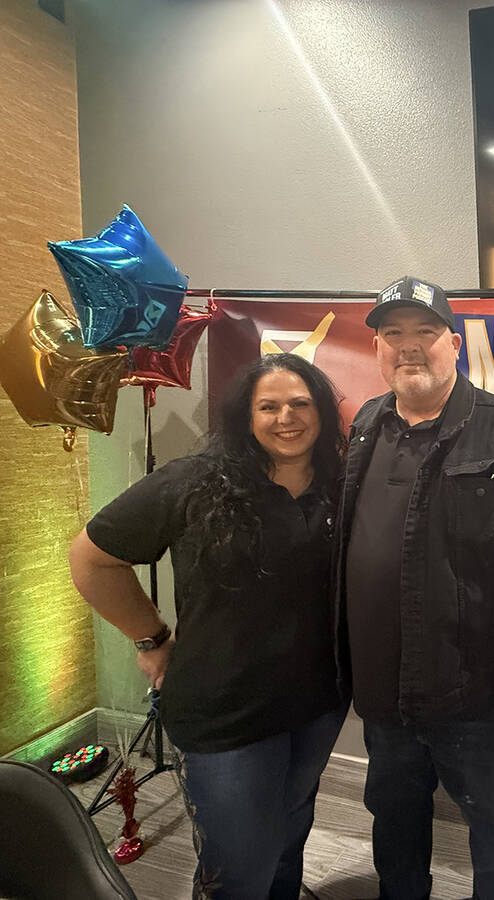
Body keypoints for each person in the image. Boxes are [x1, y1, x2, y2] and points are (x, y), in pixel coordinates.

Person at [68, 353, 349, 900]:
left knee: (289, 837)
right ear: (245, 416)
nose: (285, 417)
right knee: (241, 866)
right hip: (225, 713)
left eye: (300, 404)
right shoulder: (194, 482)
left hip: (317, 704)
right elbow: (91, 561)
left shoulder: (342, 486)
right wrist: (151, 638)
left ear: (321, 413)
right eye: (268, 406)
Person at [336, 276, 494, 900]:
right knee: (394, 823)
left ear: (455, 344)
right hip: (384, 692)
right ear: (378, 349)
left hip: (481, 696)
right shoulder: (364, 426)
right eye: (393, 335)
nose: (408, 348)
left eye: (424, 333)